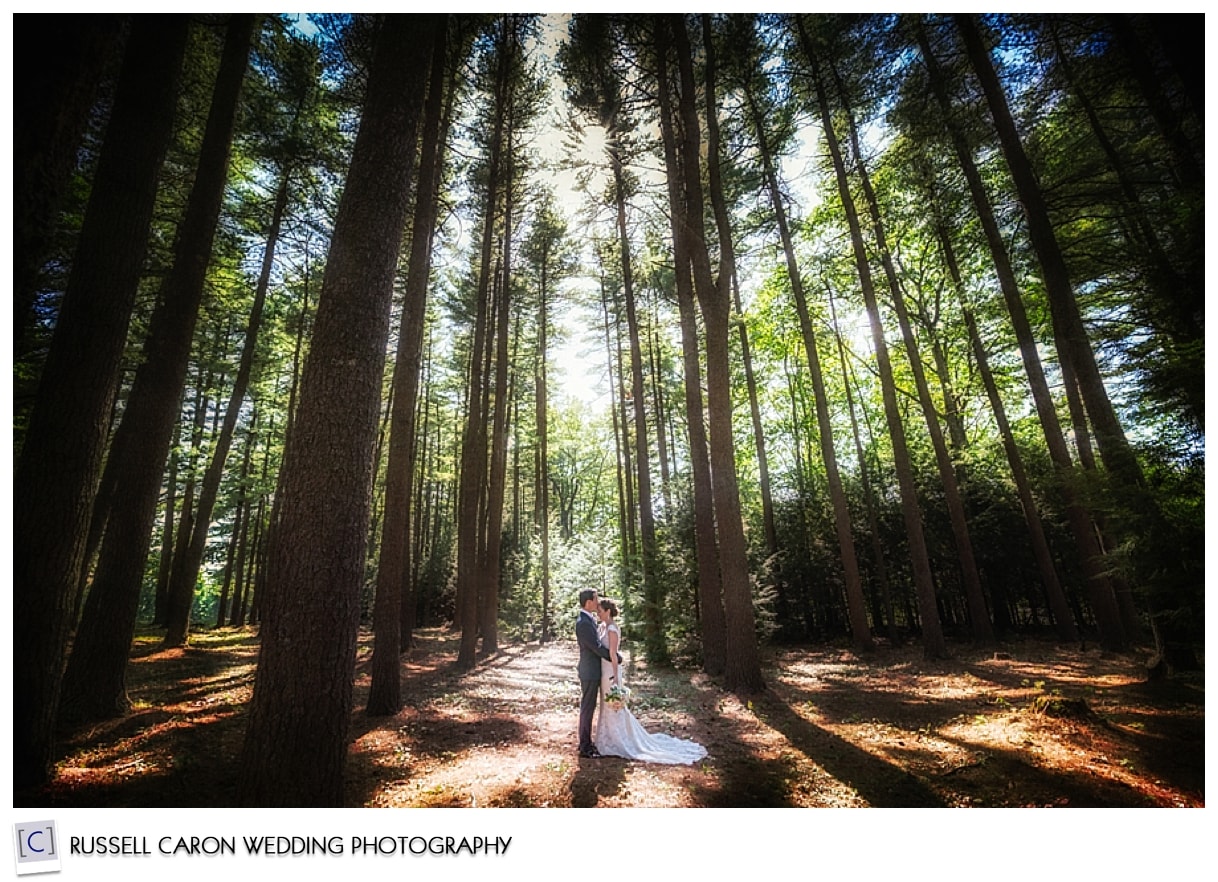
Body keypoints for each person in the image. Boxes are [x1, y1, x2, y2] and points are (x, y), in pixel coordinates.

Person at [594, 598, 707, 765]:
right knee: (605, 704)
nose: (598, 614)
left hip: (611, 671)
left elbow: (613, 654)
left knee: (615, 706)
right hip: (603, 671)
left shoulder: (612, 628)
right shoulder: (602, 626)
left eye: (600, 611)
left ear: (608, 611)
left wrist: (617, 677)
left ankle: (618, 741)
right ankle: (606, 738)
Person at [575, 588, 613, 758]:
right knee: (587, 708)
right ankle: (585, 746)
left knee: (589, 707)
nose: (598, 603)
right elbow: (595, 647)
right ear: (589, 602)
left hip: (593, 670)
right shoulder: (583, 622)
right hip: (589, 671)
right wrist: (615, 657)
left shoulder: (588, 620)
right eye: (596, 599)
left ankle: (586, 743)